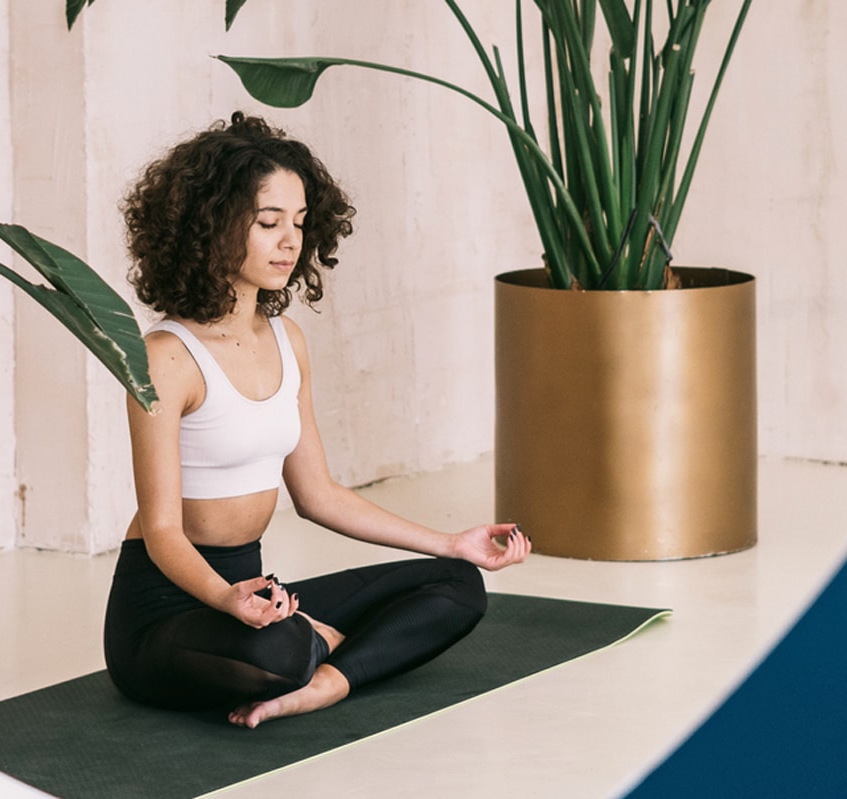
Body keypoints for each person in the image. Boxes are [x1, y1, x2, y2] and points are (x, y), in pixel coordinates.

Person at [102, 112, 531, 729]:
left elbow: (318, 494)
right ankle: (307, 649)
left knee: (458, 585)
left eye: (300, 224)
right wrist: (227, 597)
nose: (290, 242)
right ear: (211, 226)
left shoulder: (287, 339)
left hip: (259, 598)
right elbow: (164, 530)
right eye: (269, 223)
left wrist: (449, 542)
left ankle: (321, 683)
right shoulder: (166, 358)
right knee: (275, 649)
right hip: (168, 612)